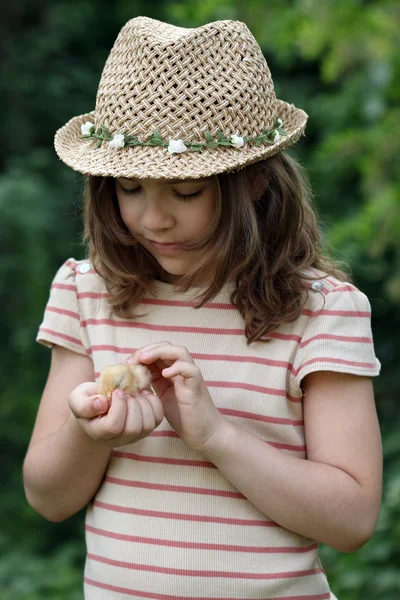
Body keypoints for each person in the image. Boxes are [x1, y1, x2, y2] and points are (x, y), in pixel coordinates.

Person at [23, 16, 382, 600]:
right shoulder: (87, 292)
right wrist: (90, 435)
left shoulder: (321, 311)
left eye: (186, 192)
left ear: (257, 182)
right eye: (129, 187)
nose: (153, 219)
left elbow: (352, 521)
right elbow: (48, 498)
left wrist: (215, 436)